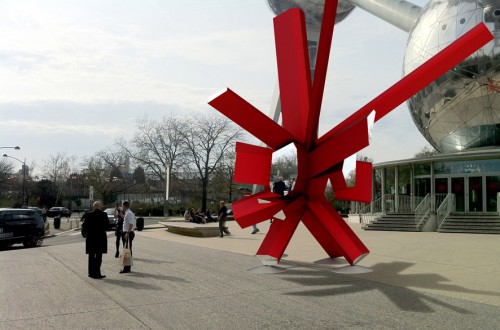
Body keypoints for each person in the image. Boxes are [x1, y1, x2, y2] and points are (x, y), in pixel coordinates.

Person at [82, 201, 108, 279]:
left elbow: (84, 226)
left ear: (93, 207)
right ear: (100, 207)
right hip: (100, 238)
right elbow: (107, 226)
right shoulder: (104, 215)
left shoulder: (88, 215)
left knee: (91, 256)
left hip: (91, 238)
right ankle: (97, 273)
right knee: (99, 256)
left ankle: (91, 273)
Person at [120, 200, 136, 274]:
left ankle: (126, 268)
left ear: (124, 206)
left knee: (127, 250)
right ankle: (127, 267)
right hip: (127, 232)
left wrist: (127, 233)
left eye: (122, 206)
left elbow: (131, 224)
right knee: (126, 250)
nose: (122, 207)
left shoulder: (129, 213)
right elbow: (127, 221)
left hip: (128, 233)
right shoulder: (128, 213)